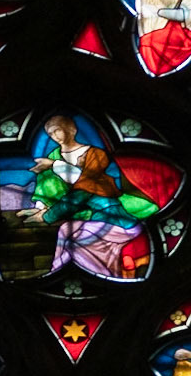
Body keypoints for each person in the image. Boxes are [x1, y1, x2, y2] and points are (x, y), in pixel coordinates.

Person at [20, 115, 157, 281]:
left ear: (71, 130)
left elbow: (77, 196)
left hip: (117, 222)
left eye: (57, 130)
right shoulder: (55, 156)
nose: (54, 136)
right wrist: (41, 207)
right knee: (64, 230)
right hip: (96, 217)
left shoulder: (95, 162)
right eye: (50, 133)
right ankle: (56, 271)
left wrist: (46, 217)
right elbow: (47, 183)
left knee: (77, 245)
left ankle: (105, 278)